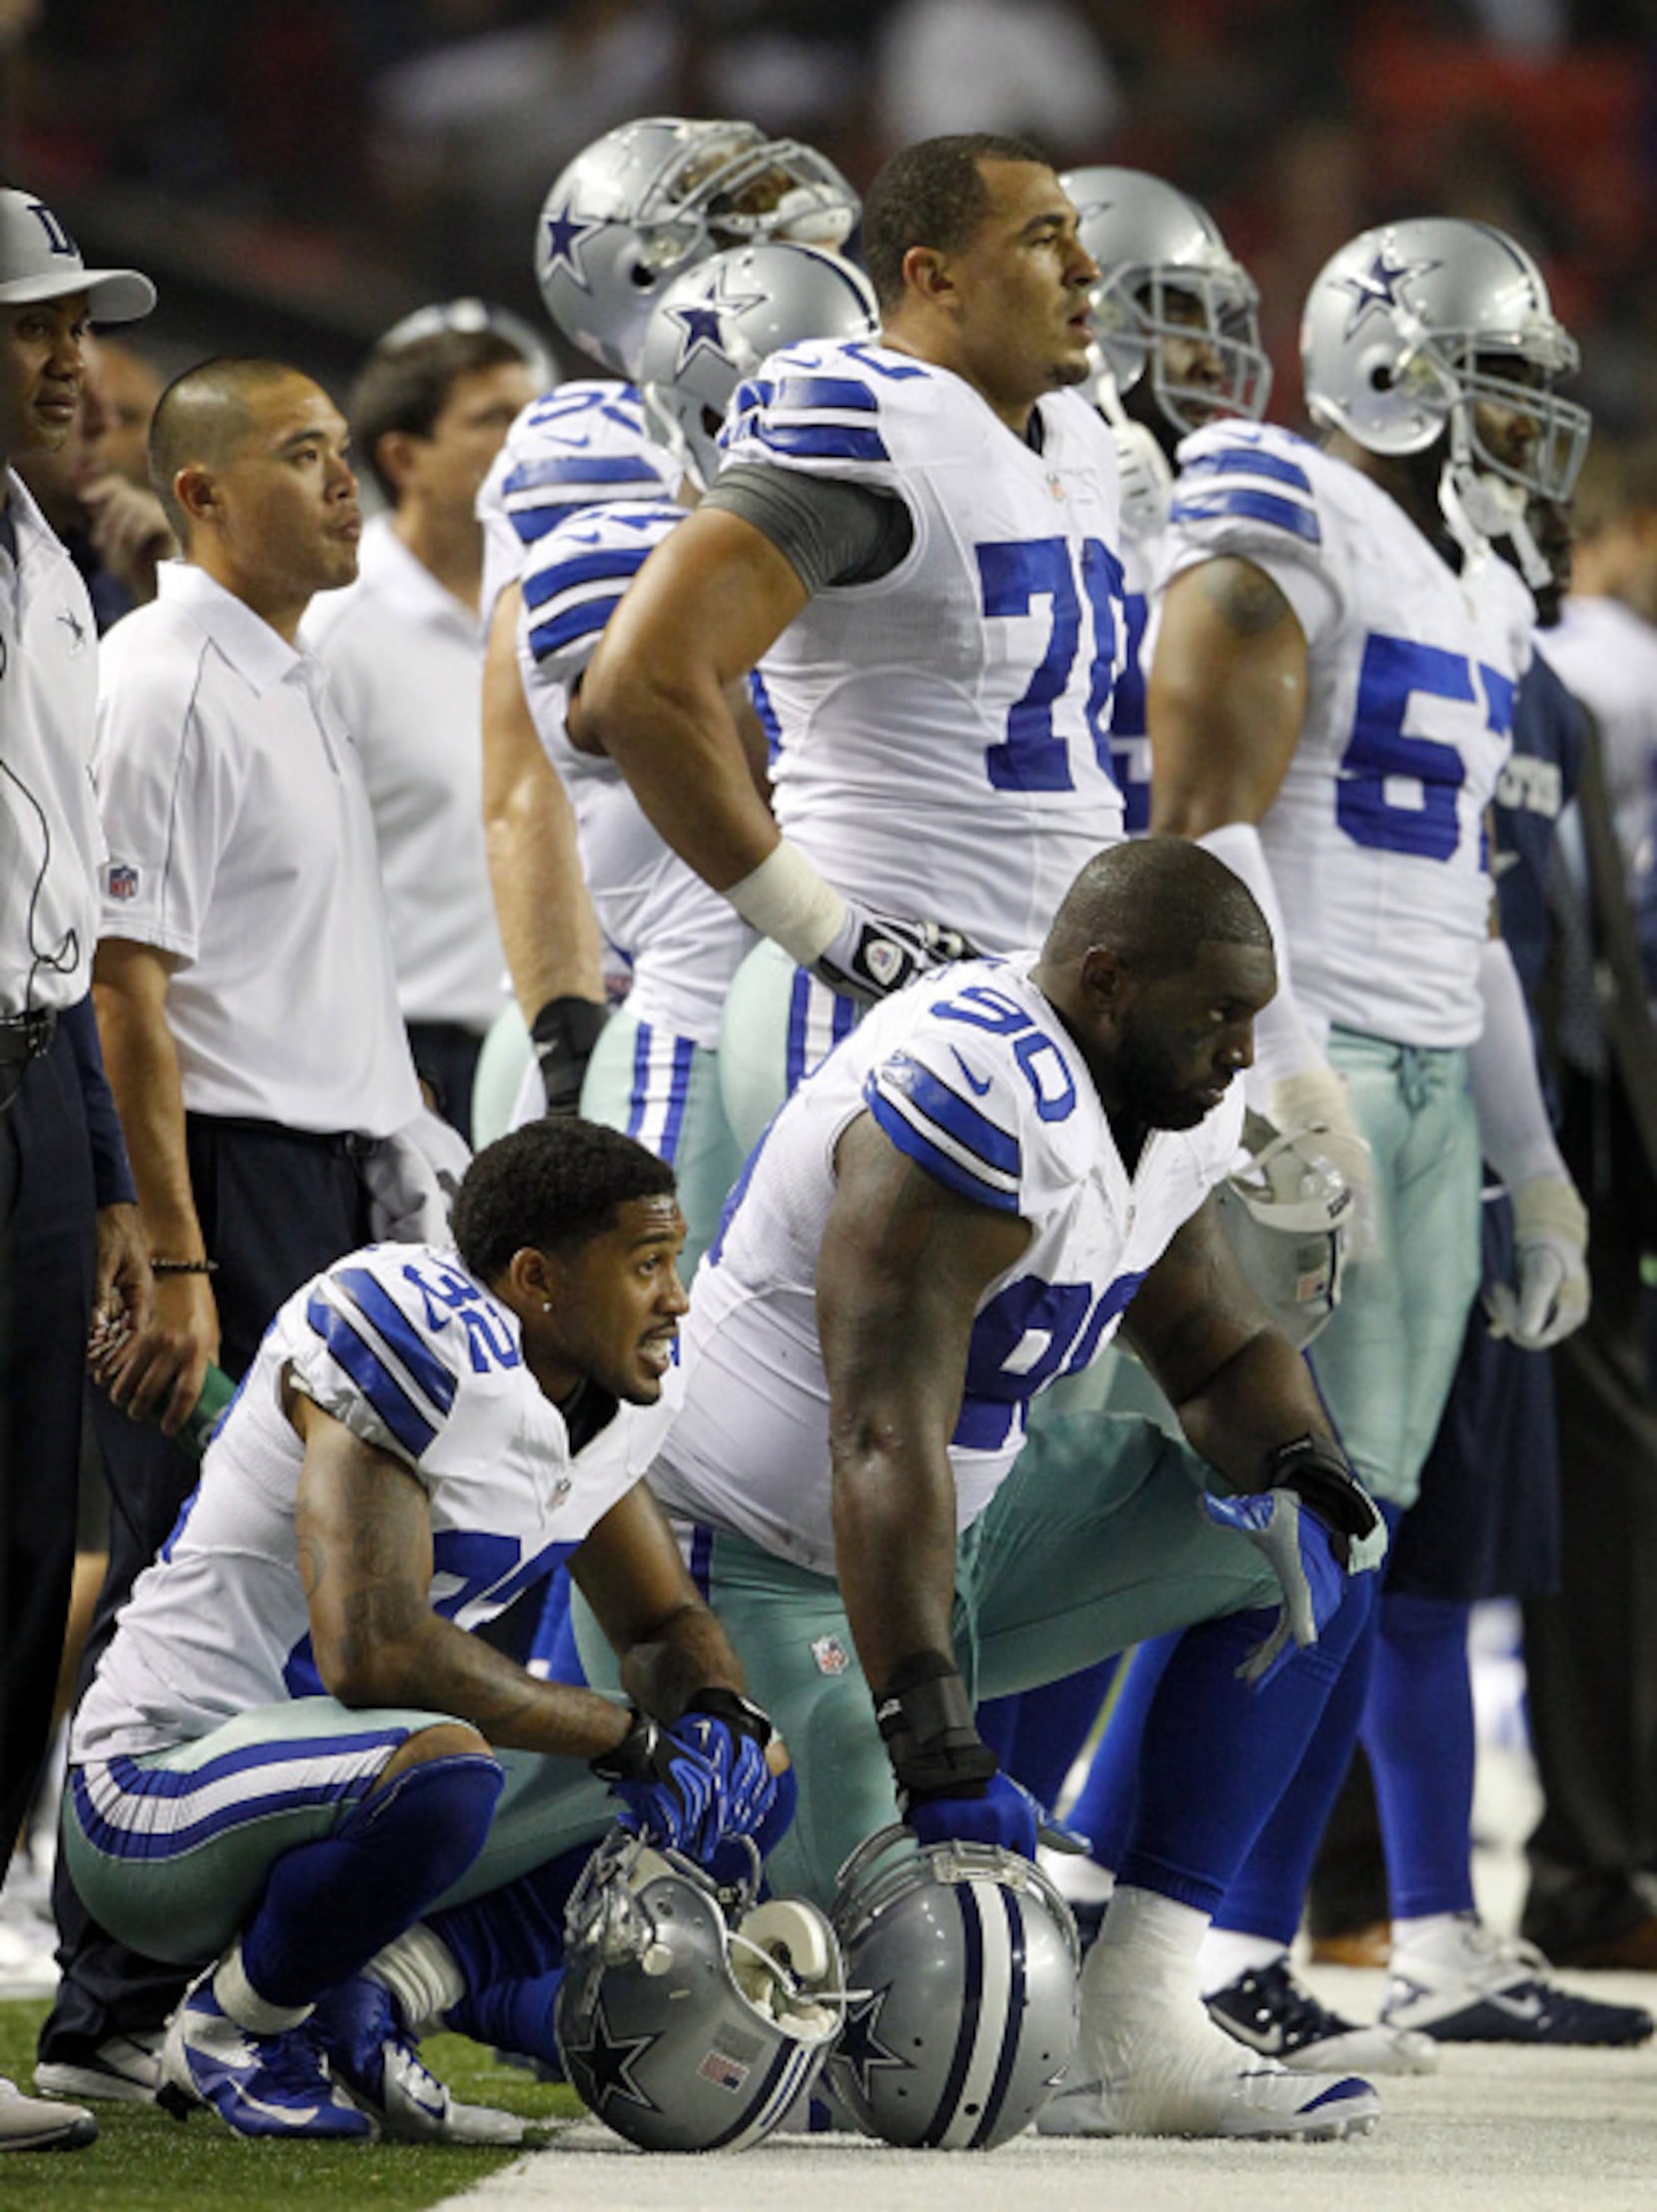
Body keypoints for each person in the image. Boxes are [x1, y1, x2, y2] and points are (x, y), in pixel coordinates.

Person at [573, 838, 1387, 2140]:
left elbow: (1214, 1346)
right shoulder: (967, 1093)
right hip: (751, 1561)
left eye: (1252, 1016)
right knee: (903, 2039)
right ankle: (480, 1943)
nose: (1245, 1053)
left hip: (957, 1526)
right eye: (1219, 1016)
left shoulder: (1155, 1093)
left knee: (1321, 1553)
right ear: (1110, 983)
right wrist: (938, 1747)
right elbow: (877, 1441)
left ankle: (1141, 2009)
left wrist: (1303, 1473)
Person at [1094, 218, 1628, 2056]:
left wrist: (1533, 1160)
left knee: (1356, 1538)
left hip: (1414, 1072)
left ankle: (1219, 1949)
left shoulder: (1469, 576)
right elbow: (1200, 810)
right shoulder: (1283, 510)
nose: (1526, 419)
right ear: (1396, 367)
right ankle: (1115, 1927)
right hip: (1295, 1062)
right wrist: (1281, 1072)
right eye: (1496, 377)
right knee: (1245, 1524)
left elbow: (1466, 913)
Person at [60, 1117, 789, 2141]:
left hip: (347, 1788)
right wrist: (625, 1734)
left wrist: (714, 1714)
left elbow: (662, 1620)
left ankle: (378, 1990)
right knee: (445, 1765)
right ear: (537, 1278)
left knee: (744, 1770)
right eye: (647, 1264)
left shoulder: (604, 1398)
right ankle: (234, 2026)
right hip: (154, 1795)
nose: (675, 1295)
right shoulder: (411, 1331)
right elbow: (374, 1649)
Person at [36, 355, 428, 2103]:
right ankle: (110, 1999)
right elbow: (132, 992)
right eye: (303, 456)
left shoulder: (287, 675)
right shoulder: (167, 679)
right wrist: (181, 1250)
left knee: (301, 1589)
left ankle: (229, 1990)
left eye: (349, 455)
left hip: (328, 1166)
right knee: (199, 1574)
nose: (344, 485)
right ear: (199, 495)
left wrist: (400, 1157)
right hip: (232, 1179)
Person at [579, 132, 1129, 1160]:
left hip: (1047, 992)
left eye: (1077, 238)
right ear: (934, 275)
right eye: (1043, 238)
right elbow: (640, 683)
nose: (1086, 267)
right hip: (883, 996)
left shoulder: (1081, 434)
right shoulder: (869, 417)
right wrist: (819, 927)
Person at [473, 116, 860, 1145]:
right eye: (745, 217)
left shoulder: (846, 416)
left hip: (783, 957)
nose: (794, 235)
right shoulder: (594, 441)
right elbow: (526, 782)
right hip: (643, 981)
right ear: (650, 268)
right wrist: (564, 1022)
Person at [508, 241, 880, 1276]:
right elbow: (732, 753)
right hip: (682, 1024)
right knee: (638, 1358)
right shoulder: (618, 550)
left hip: (790, 1010)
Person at [0, 185, 156, 2156]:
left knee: (22, 1555)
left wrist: (107, 1153)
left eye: (73, 322)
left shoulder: (49, 554)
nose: (68, 354)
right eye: (25, 322)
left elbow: (66, 897)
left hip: (35, 1085)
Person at [303, 318, 538, 1139]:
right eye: (494, 418)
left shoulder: (556, 608)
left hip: (548, 1042)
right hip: (406, 1056)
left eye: (534, 411)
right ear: (404, 458)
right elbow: (298, 872)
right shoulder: (333, 630)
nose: (528, 436)